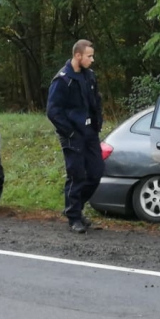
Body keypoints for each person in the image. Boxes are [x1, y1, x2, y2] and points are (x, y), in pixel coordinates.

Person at [46, 39, 104, 234]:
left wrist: (98, 123)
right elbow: (53, 111)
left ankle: (76, 207)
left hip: (90, 132)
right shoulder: (62, 80)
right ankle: (74, 217)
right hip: (73, 134)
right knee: (77, 174)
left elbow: (96, 101)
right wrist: (69, 132)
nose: (92, 59)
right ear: (77, 56)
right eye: (89, 56)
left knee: (95, 173)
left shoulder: (90, 77)